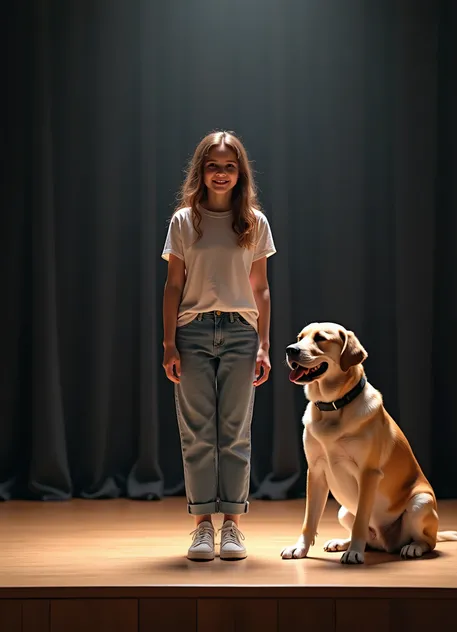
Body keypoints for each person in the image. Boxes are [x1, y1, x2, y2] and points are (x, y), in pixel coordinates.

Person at [161, 130, 276, 561]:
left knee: (234, 434)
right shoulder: (183, 221)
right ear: (201, 171)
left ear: (240, 172)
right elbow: (173, 285)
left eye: (229, 166)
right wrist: (169, 342)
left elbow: (260, 288)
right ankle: (202, 527)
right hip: (192, 330)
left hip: (240, 333)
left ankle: (232, 526)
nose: (221, 174)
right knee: (197, 434)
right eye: (214, 166)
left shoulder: (254, 222)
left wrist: (264, 345)